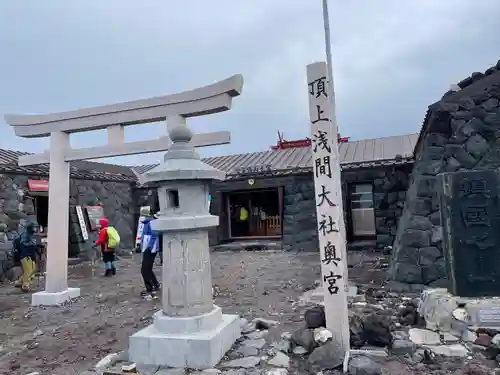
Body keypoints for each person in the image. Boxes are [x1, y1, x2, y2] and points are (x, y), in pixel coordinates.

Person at [13, 221, 39, 292]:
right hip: (25, 255)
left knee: (33, 270)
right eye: (34, 227)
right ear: (30, 228)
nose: (35, 229)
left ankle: (19, 282)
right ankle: (25, 285)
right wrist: (33, 244)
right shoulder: (25, 234)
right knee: (28, 270)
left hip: (31, 256)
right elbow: (23, 243)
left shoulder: (30, 235)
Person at [140, 214, 160, 298]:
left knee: (145, 269)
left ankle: (150, 288)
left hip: (149, 248)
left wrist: (149, 247)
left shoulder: (151, 223)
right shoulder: (150, 222)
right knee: (148, 268)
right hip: (150, 248)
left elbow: (154, 235)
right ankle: (155, 284)